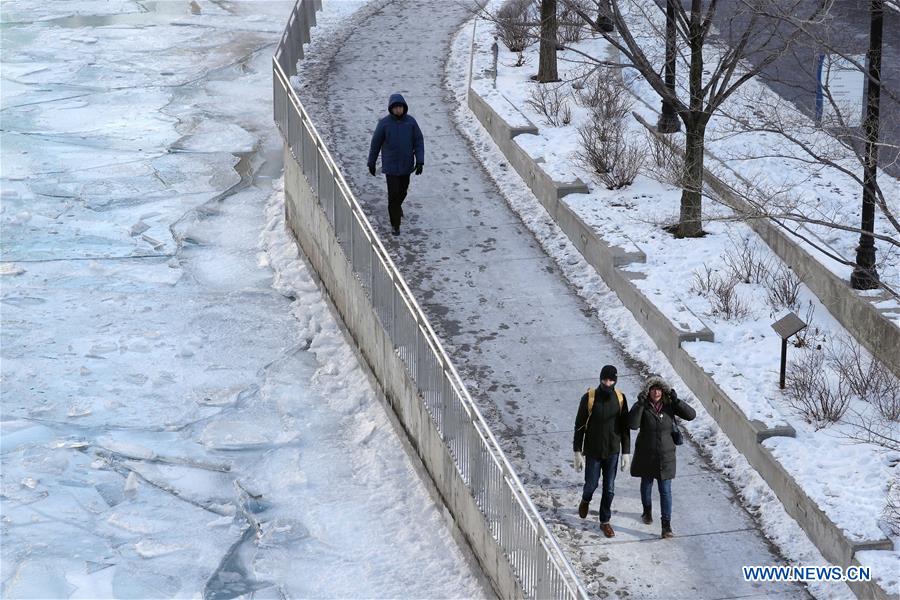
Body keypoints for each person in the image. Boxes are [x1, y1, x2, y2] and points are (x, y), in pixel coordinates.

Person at [628, 375, 696, 538]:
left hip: (666, 456)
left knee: (665, 491)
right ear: (648, 391)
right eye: (653, 389)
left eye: (659, 389)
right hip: (646, 454)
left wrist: (677, 401)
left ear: (663, 391)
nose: (656, 392)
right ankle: (647, 511)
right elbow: (633, 424)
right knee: (646, 484)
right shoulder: (643, 405)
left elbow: (691, 415)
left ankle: (666, 526)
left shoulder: (670, 405)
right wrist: (639, 405)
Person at [572, 364, 631, 538]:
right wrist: (577, 451)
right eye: (605, 379)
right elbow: (579, 426)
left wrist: (626, 452)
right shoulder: (589, 398)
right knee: (591, 483)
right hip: (593, 450)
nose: (608, 383)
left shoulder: (620, 399)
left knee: (610, 488)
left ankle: (605, 521)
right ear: (600, 379)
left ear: (615, 380)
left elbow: (625, 428)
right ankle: (586, 499)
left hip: (612, 451)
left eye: (611, 380)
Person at [367, 93, 424, 236]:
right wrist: (371, 162)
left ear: (404, 108)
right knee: (393, 195)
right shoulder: (384, 124)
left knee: (402, 191)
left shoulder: (411, 123)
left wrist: (420, 161)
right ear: (391, 109)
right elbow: (375, 144)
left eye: (400, 107)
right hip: (391, 167)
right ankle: (395, 224)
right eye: (395, 108)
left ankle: (397, 208)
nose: (398, 110)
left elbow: (418, 142)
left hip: (406, 166)